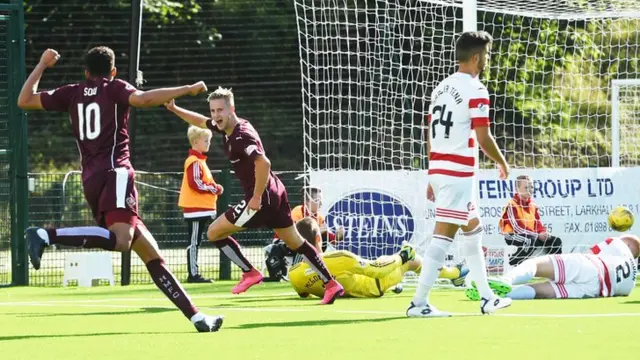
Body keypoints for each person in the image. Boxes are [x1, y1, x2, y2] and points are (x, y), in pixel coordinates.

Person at [18, 47, 223, 332]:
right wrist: (187, 89)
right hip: (116, 173)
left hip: (91, 179)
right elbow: (144, 98)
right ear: (113, 71)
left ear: (86, 72)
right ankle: (45, 235)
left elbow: (24, 100)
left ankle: (198, 317)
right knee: (122, 240)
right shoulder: (114, 87)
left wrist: (42, 64)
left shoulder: (72, 91)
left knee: (152, 256)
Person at [164, 88, 344, 305]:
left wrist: (256, 197)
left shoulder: (241, 136)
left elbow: (264, 163)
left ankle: (250, 272)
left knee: (213, 233)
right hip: (276, 192)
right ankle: (331, 284)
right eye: (213, 110)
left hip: (264, 198)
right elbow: (202, 122)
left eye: (220, 110)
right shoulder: (227, 127)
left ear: (232, 109)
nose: (215, 115)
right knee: (296, 241)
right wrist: (174, 109)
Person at [407, 31, 513, 318]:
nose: (487, 61)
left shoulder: (440, 88)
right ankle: (418, 304)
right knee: (443, 237)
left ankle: (488, 298)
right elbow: (483, 136)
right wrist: (502, 162)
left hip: (442, 169)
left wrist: (432, 175)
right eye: (487, 55)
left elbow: (430, 134)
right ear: (477, 57)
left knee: (473, 231)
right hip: (458, 173)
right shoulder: (476, 89)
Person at [286, 217, 468, 298]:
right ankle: (455, 274)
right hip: (375, 286)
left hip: (358, 287)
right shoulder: (337, 258)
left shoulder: (294, 275)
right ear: (319, 238)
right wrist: (402, 256)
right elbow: (377, 270)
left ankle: (396, 284)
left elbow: (304, 294)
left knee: (378, 261)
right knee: (412, 261)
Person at [465, 234, 639, 300]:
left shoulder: (616, 244)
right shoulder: (630, 283)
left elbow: (591, 252)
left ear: (629, 245)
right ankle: (497, 295)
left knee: (535, 264)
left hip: (590, 265)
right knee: (541, 291)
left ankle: (505, 280)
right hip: (594, 290)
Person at [178, 125, 224, 283]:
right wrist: (214, 188)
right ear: (196, 142)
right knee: (194, 242)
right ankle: (193, 274)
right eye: (206, 140)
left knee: (197, 241)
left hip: (202, 209)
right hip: (195, 209)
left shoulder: (200, 161)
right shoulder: (194, 161)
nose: (209, 143)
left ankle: (194, 272)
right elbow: (196, 183)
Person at [499, 175, 562, 265]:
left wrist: (542, 232)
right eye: (526, 187)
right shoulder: (512, 204)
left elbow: (538, 224)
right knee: (530, 241)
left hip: (532, 235)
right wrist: (537, 235)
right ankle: (512, 264)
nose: (529, 190)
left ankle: (554, 269)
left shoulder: (533, 205)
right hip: (513, 235)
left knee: (555, 241)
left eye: (531, 187)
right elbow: (517, 228)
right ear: (517, 189)